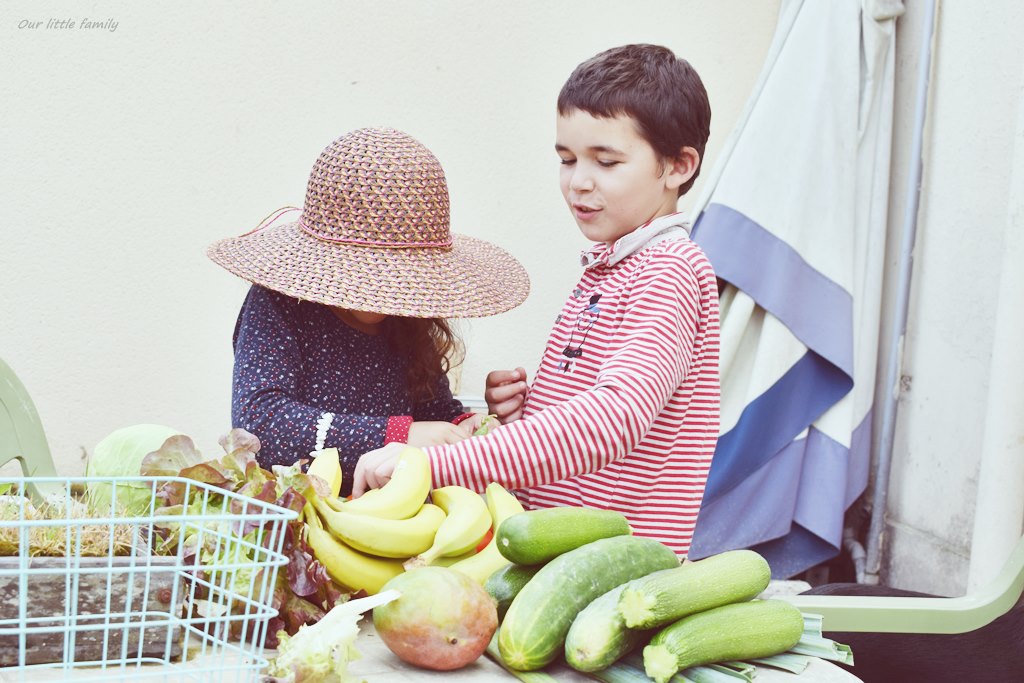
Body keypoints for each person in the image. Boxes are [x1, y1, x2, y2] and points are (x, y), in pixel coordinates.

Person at [354, 44, 721, 557]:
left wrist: (435, 465)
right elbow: (589, 424)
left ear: (678, 166)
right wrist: (525, 415)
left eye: (606, 161)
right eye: (567, 160)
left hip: (612, 574)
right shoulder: (611, 268)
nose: (578, 182)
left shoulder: (668, 270)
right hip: (560, 558)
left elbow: (610, 421)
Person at [206, 127, 530, 497]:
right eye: (365, 274)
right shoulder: (279, 304)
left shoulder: (407, 319)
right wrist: (399, 434)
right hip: (292, 514)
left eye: (399, 278)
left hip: (388, 514)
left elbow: (432, 413)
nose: (379, 295)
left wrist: (467, 426)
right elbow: (261, 425)